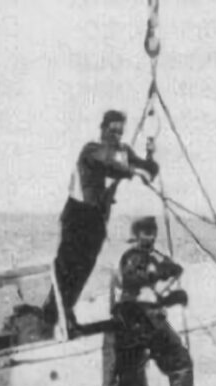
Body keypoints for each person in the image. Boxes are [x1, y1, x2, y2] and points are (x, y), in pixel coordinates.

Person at [46, 110, 160, 329]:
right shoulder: (91, 150)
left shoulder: (123, 151)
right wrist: (135, 169)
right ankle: (51, 316)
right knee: (67, 267)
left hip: (97, 221)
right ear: (103, 128)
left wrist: (149, 160)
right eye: (113, 129)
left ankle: (66, 313)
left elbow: (146, 170)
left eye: (120, 131)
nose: (117, 134)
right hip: (78, 217)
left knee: (85, 268)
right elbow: (111, 163)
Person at [103, 216, 193, 386]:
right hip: (143, 320)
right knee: (180, 363)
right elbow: (134, 280)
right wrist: (161, 272)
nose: (151, 237)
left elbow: (141, 291)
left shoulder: (131, 257)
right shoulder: (134, 257)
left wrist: (172, 295)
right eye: (145, 232)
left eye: (153, 232)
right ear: (136, 234)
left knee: (124, 375)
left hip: (127, 323)